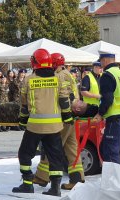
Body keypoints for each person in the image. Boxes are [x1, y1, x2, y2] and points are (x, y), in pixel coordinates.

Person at [12, 49, 64, 197]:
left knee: (25, 154)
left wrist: (22, 119)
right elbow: (64, 99)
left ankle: (27, 184)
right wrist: (66, 116)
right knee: (55, 156)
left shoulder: (29, 79)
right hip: (54, 126)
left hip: (35, 125)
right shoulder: (58, 78)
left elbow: (24, 104)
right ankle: (55, 188)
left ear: (35, 62)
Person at [33, 52, 84, 190]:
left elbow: (60, 97)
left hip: (62, 117)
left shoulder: (58, 76)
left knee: (52, 147)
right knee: (72, 149)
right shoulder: (69, 75)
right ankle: (77, 178)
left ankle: (42, 177)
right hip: (72, 117)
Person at [93, 51, 120, 164]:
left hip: (115, 118)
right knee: (105, 148)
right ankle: (113, 177)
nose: (100, 64)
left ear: (105, 60)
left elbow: (108, 99)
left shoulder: (107, 75)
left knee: (110, 151)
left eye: (100, 61)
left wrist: (100, 113)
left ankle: (115, 179)